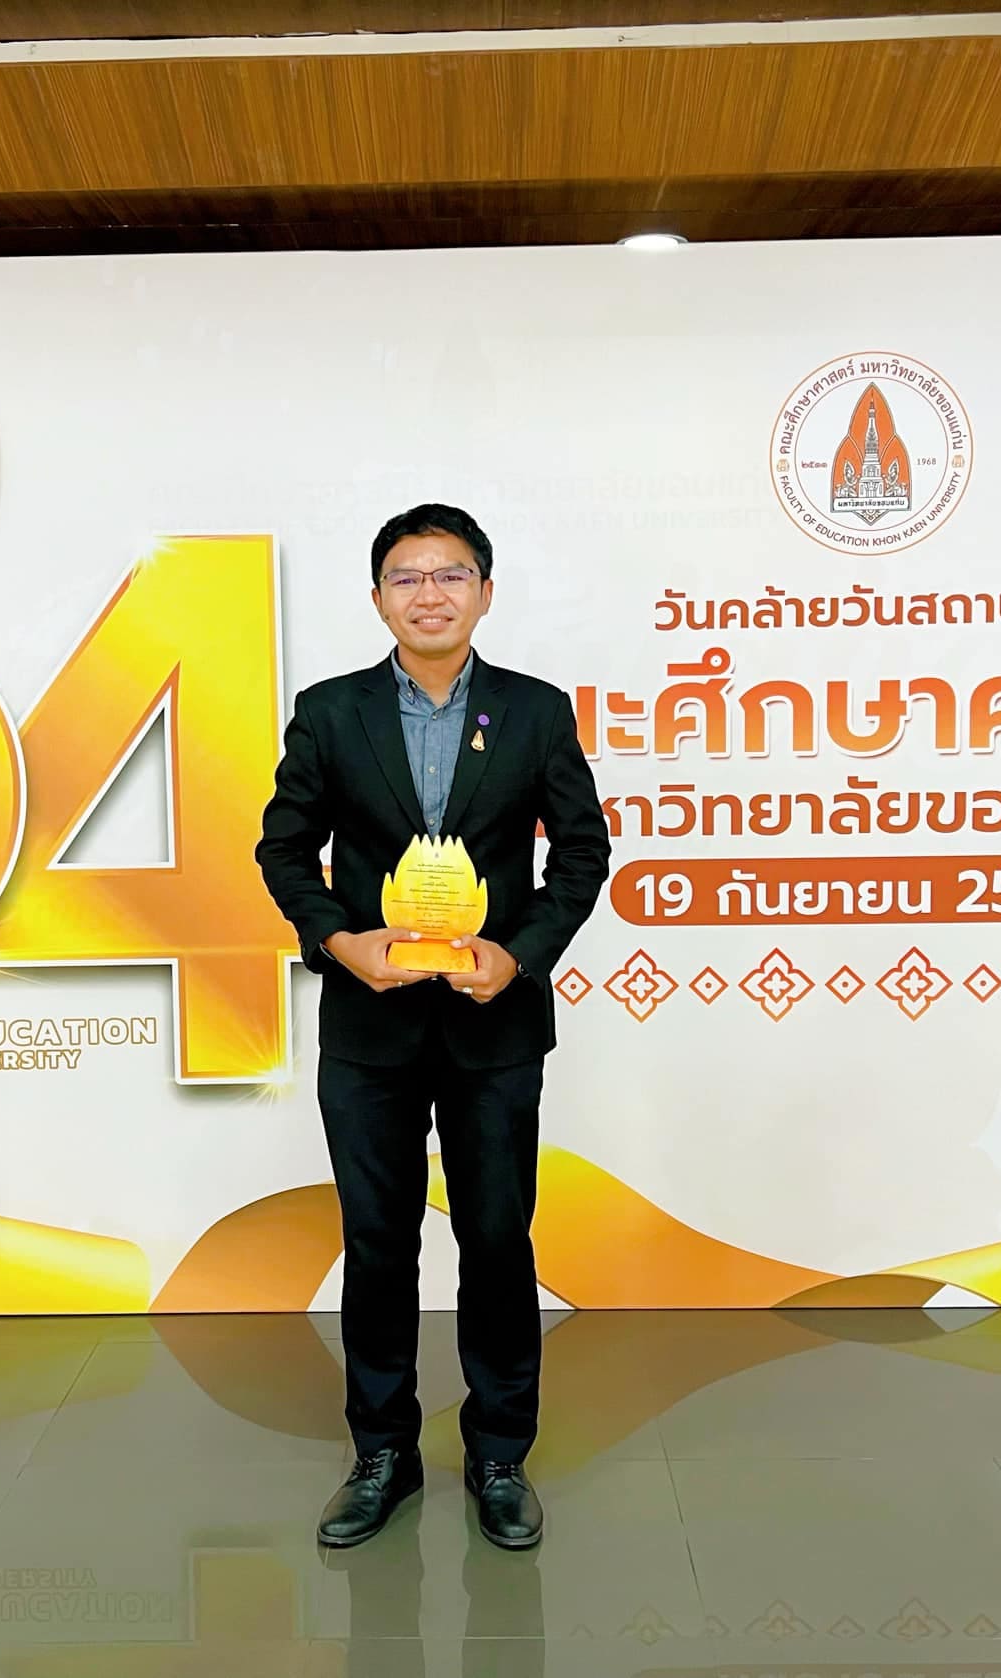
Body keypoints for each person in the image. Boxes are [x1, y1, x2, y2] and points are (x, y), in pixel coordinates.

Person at [256, 503, 611, 1550]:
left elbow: (581, 853)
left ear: (484, 593)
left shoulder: (535, 712)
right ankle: (383, 1453)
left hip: (492, 1024)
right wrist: (340, 941)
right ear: (378, 599)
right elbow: (283, 851)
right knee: (377, 1243)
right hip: (369, 1028)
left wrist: (520, 954)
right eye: (406, 577)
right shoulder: (330, 713)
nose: (429, 594)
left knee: (496, 1239)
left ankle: (499, 1454)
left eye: (450, 574)